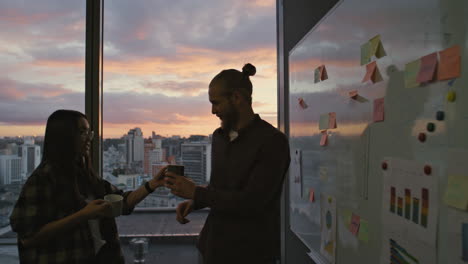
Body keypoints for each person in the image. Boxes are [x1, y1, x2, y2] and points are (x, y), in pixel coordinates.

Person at [164, 63, 291, 264]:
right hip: (212, 246)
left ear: (237, 98)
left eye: (216, 103)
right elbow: (221, 189)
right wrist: (196, 202)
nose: (213, 111)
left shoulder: (272, 141)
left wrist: (197, 193)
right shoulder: (219, 137)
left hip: (250, 253)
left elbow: (253, 202)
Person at [10, 110, 166, 264]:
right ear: (64, 137)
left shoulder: (85, 175)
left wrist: (152, 184)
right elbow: (28, 237)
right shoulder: (42, 179)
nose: (89, 139)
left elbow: (122, 202)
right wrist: (83, 215)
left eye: (89, 133)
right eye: (82, 133)